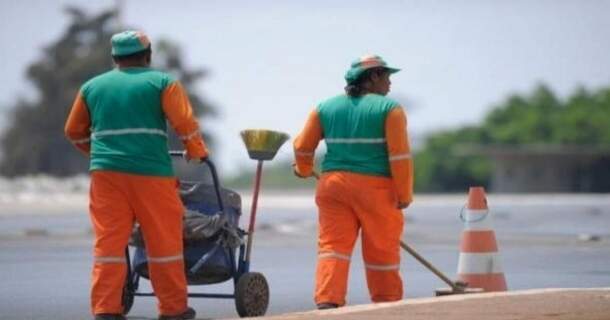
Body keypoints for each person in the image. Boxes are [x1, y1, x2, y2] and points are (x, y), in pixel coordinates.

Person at [64, 30, 208, 320]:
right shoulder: (162, 82)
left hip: (106, 176)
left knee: (109, 245)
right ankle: (173, 309)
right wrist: (197, 149)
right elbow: (184, 122)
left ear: (115, 58)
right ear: (148, 55)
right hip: (151, 174)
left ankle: (106, 308)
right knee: (163, 242)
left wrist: (98, 154)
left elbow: (73, 131)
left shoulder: (92, 87)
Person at [293, 54, 414, 309]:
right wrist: (404, 195)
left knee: (332, 248)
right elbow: (400, 157)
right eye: (387, 76)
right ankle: (386, 302)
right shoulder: (389, 109)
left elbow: (303, 145)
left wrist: (304, 169)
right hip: (376, 190)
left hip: (333, 186)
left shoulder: (324, 108)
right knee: (382, 250)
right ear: (372, 77)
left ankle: (327, 300)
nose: (390, 84)